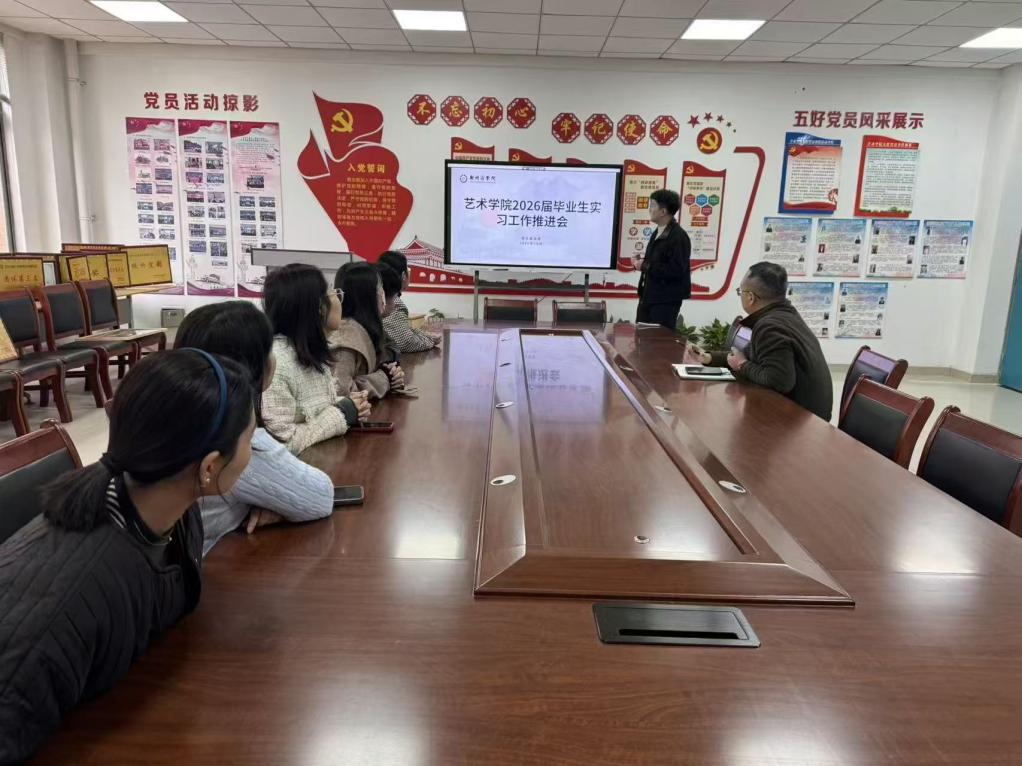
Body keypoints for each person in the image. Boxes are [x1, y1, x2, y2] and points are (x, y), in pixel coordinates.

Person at [0, 350, 255, 762]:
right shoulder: (68, 604)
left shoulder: (169, 506)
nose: (251, 454)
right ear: (209, 468)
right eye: (250, 441)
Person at [174, 301, 335, 555]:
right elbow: (321, 497)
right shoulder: (238, 443)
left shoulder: (176, 422)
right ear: (255, 367)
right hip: (204, 570)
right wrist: (276, 506)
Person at [688, 262, 833, 421]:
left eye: (740, 292)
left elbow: (779, 381)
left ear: (750, 297)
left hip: (803, 422)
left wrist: (742, 365)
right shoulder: (784, 315)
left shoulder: (770, 325)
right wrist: (708, 357)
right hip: (809, 415)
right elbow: (748, 354)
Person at [263, 263, 372, 454]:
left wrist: (349, 404)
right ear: (319, 307)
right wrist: (342, 413)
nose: (339, 298)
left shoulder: (309, 351)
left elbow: (310, 409)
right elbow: (280, 444)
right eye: (333, 292)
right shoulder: (277, 362)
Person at [330, 262, 405, 399]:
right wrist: (384, 379)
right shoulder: (344, 341)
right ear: (368, 296)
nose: (383, 295)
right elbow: (341, 391)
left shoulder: (363, 329)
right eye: (380, 288)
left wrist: (392, 375)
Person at [634, 189, 691, 330]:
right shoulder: (658, 232)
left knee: (658, 340)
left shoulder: (678, 237)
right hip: (649, 296)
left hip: (665, 300)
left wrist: (645, 266)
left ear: (663, 211)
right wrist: (641, 263)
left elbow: (676, 270)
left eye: (653, 205)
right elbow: (658, 262)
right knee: (642, 335)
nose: (649, 209)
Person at [378, 250, 442, 352]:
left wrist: (426, 336)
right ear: (404, 276)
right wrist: (430, 341)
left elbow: (404, 331)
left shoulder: (379, 295)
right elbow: (406, 342)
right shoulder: (393, 303)